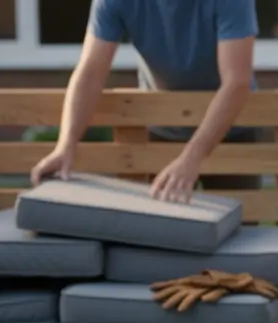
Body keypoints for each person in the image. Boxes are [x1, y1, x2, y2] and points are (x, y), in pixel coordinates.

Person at [30, 0, 262, 203]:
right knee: (159, 241)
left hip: (231, 132)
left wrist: (192, 158)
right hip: (161, 129)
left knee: (240, 240)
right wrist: (65, 145)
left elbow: (236, 82)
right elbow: (90, 72)